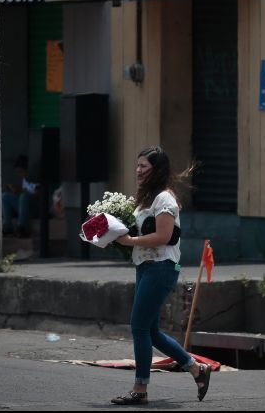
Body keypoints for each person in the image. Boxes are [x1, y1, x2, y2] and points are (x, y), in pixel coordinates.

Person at [110, 146, 210, 405]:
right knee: (150, 331)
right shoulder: (147, 199)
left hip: (161, 267)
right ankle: (196, 368)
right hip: (145, 267)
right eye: (138, 165)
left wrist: (129, 240)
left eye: (144, 166)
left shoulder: (164, 199)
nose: (138, 170)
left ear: (157, 170)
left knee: (139, 327)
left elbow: (164, 237)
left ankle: (140, 390)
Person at [2, 155, 38, 238]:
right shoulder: (24, 180)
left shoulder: (36, 178)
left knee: (23, 196)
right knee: (5, 196)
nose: (20, 175)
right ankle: (7, 226)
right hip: (24, 209)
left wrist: (20, 191)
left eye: (21, 172)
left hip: (35, 209)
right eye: (18, 172)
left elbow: (37, 195)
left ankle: (21, 227)